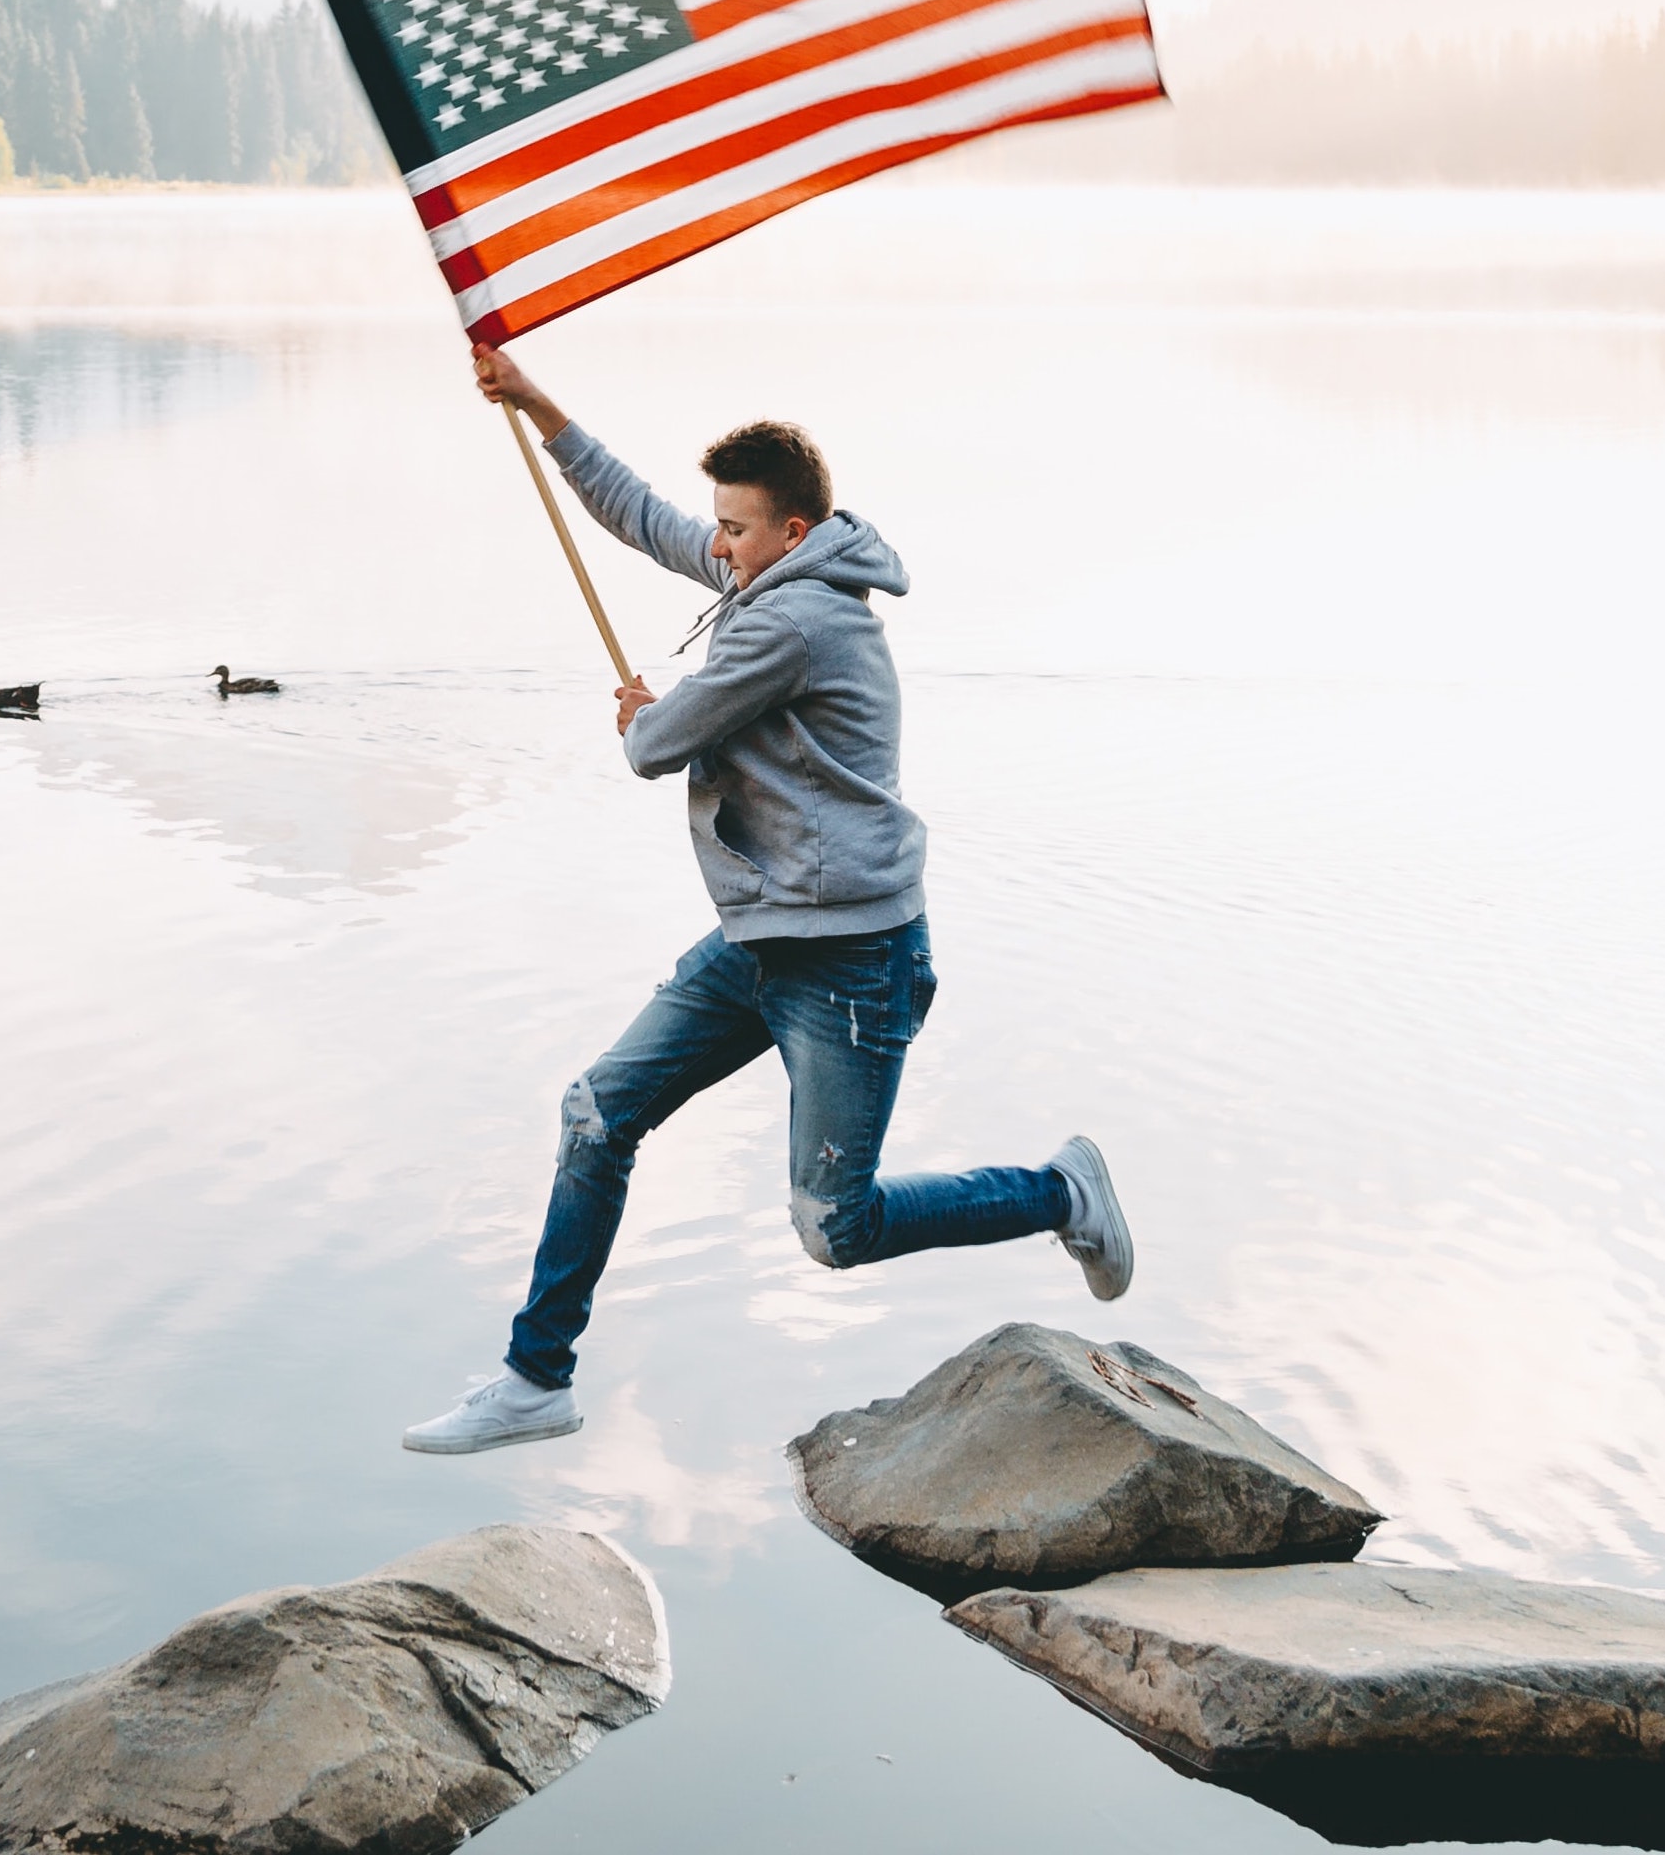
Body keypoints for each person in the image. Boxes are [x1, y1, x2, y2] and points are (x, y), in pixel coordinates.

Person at [403, 344, 1134, 1455]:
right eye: (722, 527)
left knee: (836, 1228)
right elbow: (645, 517)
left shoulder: (792, 622)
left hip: (849, 961)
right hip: (762, 936)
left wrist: (640, 711)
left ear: (792, 532)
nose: (717, 544)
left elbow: (657, 743)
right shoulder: (774, 577)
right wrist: (539, 404)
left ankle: (1058, 1191)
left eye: (735, 528)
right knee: (596, 1113)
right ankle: (535, 1376)